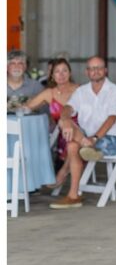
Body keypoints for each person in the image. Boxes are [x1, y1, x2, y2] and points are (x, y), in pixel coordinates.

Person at [50, 56, 116, 209]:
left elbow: (112, 118)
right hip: (88, 140)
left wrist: (94, 138)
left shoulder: (115, 90)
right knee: (66, 126)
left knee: (73, 146)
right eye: (92, 68)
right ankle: (74, 196)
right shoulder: (82, 91)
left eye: (99, 68)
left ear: (105, 70)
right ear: (87, 72)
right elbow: (68, 108)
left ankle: (73, 194)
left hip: (113, 139)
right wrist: (66, 119)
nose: (95, 71)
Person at [24, 58, 78, 191]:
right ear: (52, 75)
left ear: (70, 73)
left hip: (83, 131)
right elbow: (26, 107)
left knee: (73, 141)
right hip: (63, 136)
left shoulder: (80, 90)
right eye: (57, 71)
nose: (61, 74)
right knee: (68, 140)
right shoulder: (49, 93)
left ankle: (63, 171)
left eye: (64, 71)